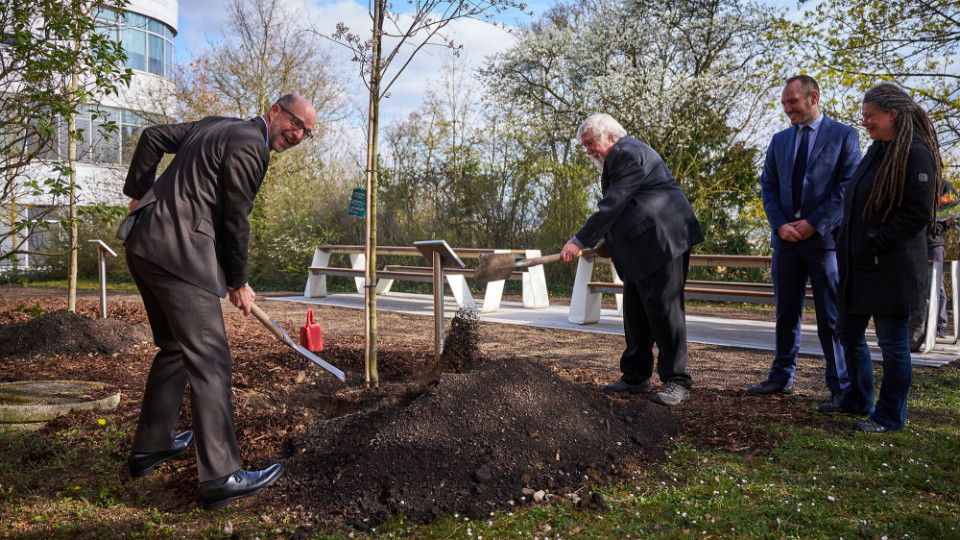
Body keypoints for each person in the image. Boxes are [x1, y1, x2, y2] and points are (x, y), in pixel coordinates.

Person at [118, 94, 318, 509]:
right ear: (274, 111)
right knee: (211, 360)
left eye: (306, 133)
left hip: (144, 245)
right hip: (180, 255)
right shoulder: (251, 145)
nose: (297, 135)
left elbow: (154, 137)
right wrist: (238, 281)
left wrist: (139, 192)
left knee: (175, 347)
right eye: (295, 123)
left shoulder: (214, 125)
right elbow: (234, 219)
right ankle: (222, 476)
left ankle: (150, 447)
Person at [560, 113, 704, 406]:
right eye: (585, 145)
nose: (588, 151)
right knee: (636, 312)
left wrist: (579, 241)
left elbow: (614, 204)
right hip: (641, 246)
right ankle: (636, 377)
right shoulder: (624, 156)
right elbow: (629, 207)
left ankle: (677, 381)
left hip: (664, 242)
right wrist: (608, 243)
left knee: (666, 312)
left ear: (608, 136)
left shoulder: (626, 153)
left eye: (590, 143)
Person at [822, 82, 941, 433]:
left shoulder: (916, 153)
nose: (866, 123)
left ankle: (890, 416)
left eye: (870, 116)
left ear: (892, 115)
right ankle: (859, 399)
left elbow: (917, 212)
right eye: (864, 117)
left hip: (893, 268)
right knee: (847, 331)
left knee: (892, 343)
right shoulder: (877, 149)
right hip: (859, 266)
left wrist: (876, 240)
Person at [751, 75, 861, 406]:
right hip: (785, 242)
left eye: (793, 102)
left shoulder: (844, 136)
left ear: (813, 97)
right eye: (784, 103)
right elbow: (767, 186)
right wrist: (780, 224)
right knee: (786, 313)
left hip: (824, 241)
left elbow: (848, 187)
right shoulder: (779, 140)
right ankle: (781, 377)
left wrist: (814, 223)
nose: (787, 109)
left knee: (830, 316)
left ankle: (839, 383)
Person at [908, 180, 953, 350]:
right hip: (914, 242)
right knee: (915, 285)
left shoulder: (944, 185)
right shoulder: (916, 182)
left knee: (936, 285)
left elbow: (952, 211)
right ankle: (918, 327)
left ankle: (940, 326)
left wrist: (939, 228)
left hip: (933, 243)